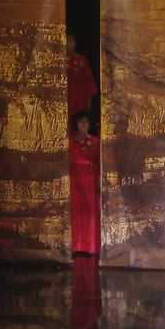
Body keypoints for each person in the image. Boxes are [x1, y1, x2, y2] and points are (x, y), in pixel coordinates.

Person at [69, 111, 100, 254]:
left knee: (90, 210)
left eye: (86, 122)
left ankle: (90, 246)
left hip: (89, 179)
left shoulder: (95, 141)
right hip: (74, 178)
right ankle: (75, 245)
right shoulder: (69, 141)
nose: (83, 124)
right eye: (80, 121)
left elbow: (99, 162)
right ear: (76, 123)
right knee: (75, 211)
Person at [67, 34, 97, 121]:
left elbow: (89, 81)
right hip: (65, 95)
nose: (67, 44)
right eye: (65, 41)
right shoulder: (57, 59)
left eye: (70, 42)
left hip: (79, 96)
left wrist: (89, 101)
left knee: (78, 119)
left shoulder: (82, 60)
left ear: (75, 44)